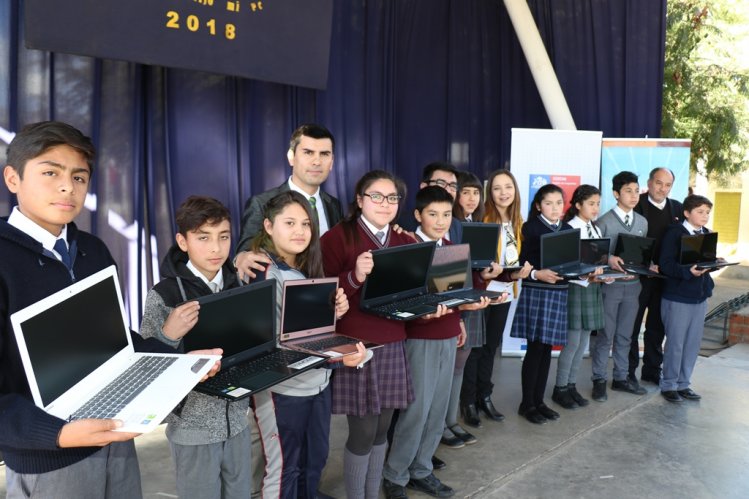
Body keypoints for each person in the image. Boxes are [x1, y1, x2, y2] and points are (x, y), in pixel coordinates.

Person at [0, 121, 220, 498]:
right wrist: (57, 434)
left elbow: (117, 343)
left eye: (79, 177)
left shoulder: (93, 249)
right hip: (50, 456)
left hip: (114, 430)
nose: (68, 186)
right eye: (50, 172)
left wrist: (176, 364)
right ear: (12, 178)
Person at [247, 190, 369, 498]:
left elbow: (311, 329)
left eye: (305, 223)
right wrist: (338, 356)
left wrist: (334, 311)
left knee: (315, 458)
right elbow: (272, 343)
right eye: (289, 223)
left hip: (317, 382)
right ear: (268, 226)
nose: (300, 231)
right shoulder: (263, 274)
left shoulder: (306, 269)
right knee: (284, 467)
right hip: (283, 390)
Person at [383, 186, 493, 499]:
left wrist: (460, 315)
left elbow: (451, 294)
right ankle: (395, 475)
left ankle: (421, 469)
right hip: (420, 339)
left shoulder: (450, 245)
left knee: (438, 408)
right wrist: (429, 316)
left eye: (446, 214)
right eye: (433, 214)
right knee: (416, 410)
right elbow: (404, 303)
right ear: (418, 215)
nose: (441, 220)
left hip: (447, 335)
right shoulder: (407, 246)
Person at [138, 196, 252, 499]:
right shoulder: (163, 295)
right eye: (203, 238)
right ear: (183, 241)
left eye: (223, 237)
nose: (216, 248)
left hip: (238, 422)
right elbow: (146, 366)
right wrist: (167, 334)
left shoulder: (237, 284)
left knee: (239, 493)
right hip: (193, 430)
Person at [320, 170, 424, 499]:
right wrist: (353, 276)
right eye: (376, 196)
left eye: (392, 198)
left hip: (393, 342)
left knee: (382, 429)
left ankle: (372, 492)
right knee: (363, 431)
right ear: (360, 200)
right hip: (356, 347)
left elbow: (410, 293)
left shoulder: (405, 241)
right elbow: (319, 296)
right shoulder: (337, 238)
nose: (384, 203)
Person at [460, 169, 531, 427]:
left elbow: (511, 260)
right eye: (498, 188)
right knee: (475, 350)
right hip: (482, 292)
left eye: (508, 187)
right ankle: (467, 402)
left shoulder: (517, 221)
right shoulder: (482, 219)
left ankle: (484, 397)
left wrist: (518, 273)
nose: (504, 193)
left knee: (491, 348)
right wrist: (491, 274)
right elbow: (474, 263)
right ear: (490, 194)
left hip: (504, 292)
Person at [234, 123, 344, 279]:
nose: (317, 161)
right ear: (291, 157)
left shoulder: (333, 204)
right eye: (308, 152)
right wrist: (240, 257)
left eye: (324, 154)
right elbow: (246, 255)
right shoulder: (261, 203)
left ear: (332, 161)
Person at [512, 184, 570, 424]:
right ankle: (527, 404)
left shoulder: (567, 229)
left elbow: (570, 262)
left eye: (559, 203)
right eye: (549, 203)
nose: (555, 208)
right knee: (535, 348)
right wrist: (537, 273)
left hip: (559, 292)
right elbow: (520, 263)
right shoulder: (530, 228)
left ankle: (539, 401)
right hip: (537, 291)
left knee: (547, 349)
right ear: (538, 206)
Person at [592, 171, 649, 402]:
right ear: (616, 194)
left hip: (633, 286)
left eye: (636, 191)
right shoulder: (603, 222)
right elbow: (593, 256)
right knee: (605, 335)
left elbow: (641, 253)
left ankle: (621, 378)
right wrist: (608, 259)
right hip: (610, 287)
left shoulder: (642, 222)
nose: (634, 195)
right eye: (628, 191)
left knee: (627, 335)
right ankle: (598, 380)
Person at [441, 172, 488, 448]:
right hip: (449, 304)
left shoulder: (466, 225)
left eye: (475, 192)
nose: (470, 198)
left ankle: (450, 420)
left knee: (460, 364)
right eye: (465, 192)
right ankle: (441, 425)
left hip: (469, 298)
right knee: (446, 368)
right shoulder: (447, 223)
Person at [552, 185, 608, 410]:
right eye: (591, 203)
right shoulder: (569, 229)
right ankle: (560, 388)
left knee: (583, 341)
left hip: (591, 288)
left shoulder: (594, 228)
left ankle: (571, 384)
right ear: (578, 205)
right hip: (575, 289)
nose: (595, 208)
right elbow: (565, 266)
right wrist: (586, 274)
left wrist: (603, 274)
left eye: (597, 203)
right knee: (572, 342)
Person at [657, 194, 715, 403]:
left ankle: (684, 384)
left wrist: (715, 263)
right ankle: (669, 384)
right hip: (678, 297)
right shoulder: (674, 234)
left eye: (707, 212)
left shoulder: (706, 234)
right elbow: (665, 264)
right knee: (676, 343)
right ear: (686, 213)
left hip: (699, 297)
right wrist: (688, 271)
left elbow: (704, 264)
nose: (705, 216)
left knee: (692, 344)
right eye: (700, 211)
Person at [631, 167, 683, 385]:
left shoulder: (678, 208)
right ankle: (627, 372)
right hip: (638, 278)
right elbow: (626, 241)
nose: (663, 188)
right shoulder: (636, 205)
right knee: (631, 326)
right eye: (659, 183)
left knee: (656, 327)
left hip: (664, 280)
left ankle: (652, 371)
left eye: (668, 185)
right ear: (650, 183)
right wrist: (646, 264)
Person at [418, 162, 463, 242]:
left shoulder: (457, 225)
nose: (448, 191)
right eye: (441, 183)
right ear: (424, 187)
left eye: (453, 185)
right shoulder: (402, 226)